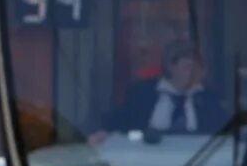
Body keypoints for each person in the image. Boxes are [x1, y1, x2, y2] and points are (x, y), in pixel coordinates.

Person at [91, 39, 230, 144]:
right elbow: (119, 120)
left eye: (198, 68)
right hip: (148, 163)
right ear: (171, 67)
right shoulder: (142, 93)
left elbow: (225, 131)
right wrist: (103, 133)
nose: (194, 73)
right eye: (188, 67)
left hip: (195, 165)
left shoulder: (209, 98)